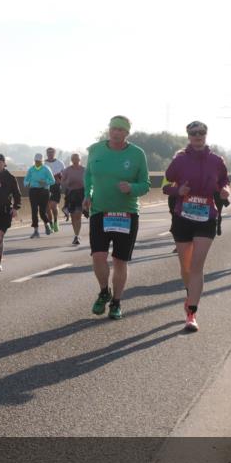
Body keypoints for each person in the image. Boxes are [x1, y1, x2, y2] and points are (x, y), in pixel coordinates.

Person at [164, 120, 230, 332]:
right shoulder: (180, 160)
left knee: (196, 267)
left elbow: (224, 181)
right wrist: (178, 191)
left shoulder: (216, 160)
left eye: (201, 132)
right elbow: (166, 186)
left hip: (206, 217)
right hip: (183, 217)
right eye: (193, 133)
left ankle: (191, 313)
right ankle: (189, 293)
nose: (197, 136)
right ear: (188, 136)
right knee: (185, 267)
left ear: (206, 135)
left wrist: (224, 190)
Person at [83, 115, 150, 320]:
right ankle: (104, 292)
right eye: (113, 129)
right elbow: (88, 175)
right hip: (100, 212)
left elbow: (145, 185)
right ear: (109, 130)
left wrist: (132, 187)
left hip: (126, 214)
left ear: (127, 133)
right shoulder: (95, 149)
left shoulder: (137, 154)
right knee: (98, 257)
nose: (116, 132)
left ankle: (117, 302)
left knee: (120, 261)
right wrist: (88, 194)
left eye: (121, 130)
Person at [23, 153, 55, 238]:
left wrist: (45, 182)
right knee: (34, 210)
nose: (37, 163)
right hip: (33, 190)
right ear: (34, 161)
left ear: (42, 161)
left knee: (42, 211)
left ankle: (47, 224)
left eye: (39, 161)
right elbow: (25, 180)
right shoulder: (31, 169)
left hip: (44, 191)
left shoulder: (46, 169)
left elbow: (52, 181)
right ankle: (36, 231)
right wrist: (27, 183)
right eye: (36, 161)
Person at [61, 152, 86, 245]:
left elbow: (89, 181)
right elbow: (62, 181)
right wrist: (67, 183)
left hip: (81, 194)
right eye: (73, 159)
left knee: (78, 215)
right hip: (71, 194)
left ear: (80, 160)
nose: (75, 160)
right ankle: (76, 234)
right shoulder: (67, 170)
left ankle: (77, 235)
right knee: (73, 216)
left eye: (77, 159)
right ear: (71, 160)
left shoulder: (84, 170)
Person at [43, 147, 64, 232]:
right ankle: (50, 223)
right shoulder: (43, 163)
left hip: (55, 186)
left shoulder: (60, 163)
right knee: (47, 208)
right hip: (45, 187)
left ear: (54, 153)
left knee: (54, 206)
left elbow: (64, 175)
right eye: (48, 153)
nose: (50, 154)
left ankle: (55, 221)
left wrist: (60, 179)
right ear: (46, 154)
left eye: (52, 153)